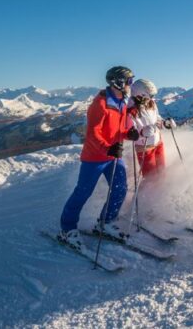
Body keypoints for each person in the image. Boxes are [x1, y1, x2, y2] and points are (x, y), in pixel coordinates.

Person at [58, 66, 140, 249]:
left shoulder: (121, 102)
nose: (131, 84)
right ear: (118, 83)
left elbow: (118, 129)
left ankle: (105, 223)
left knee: (120, 189)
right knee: (83, 192)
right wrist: (107, 148)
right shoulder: (100, 104)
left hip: (113, 156)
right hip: (94, 157)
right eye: (129, 81)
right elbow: (93, 134)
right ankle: (67, 229)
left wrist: (128, 133)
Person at [127, 78, 175, 178]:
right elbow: (130, 132)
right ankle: (147, 189)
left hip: (158, 143)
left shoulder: (151, 103)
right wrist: (142, 133)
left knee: (162, 173)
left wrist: (165, 123)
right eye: (150, 95)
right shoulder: (131, 110)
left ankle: (163, 188)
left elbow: (156, 118)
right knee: (151, 178)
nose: (152, 98)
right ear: (140, 95)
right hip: (145, 147)